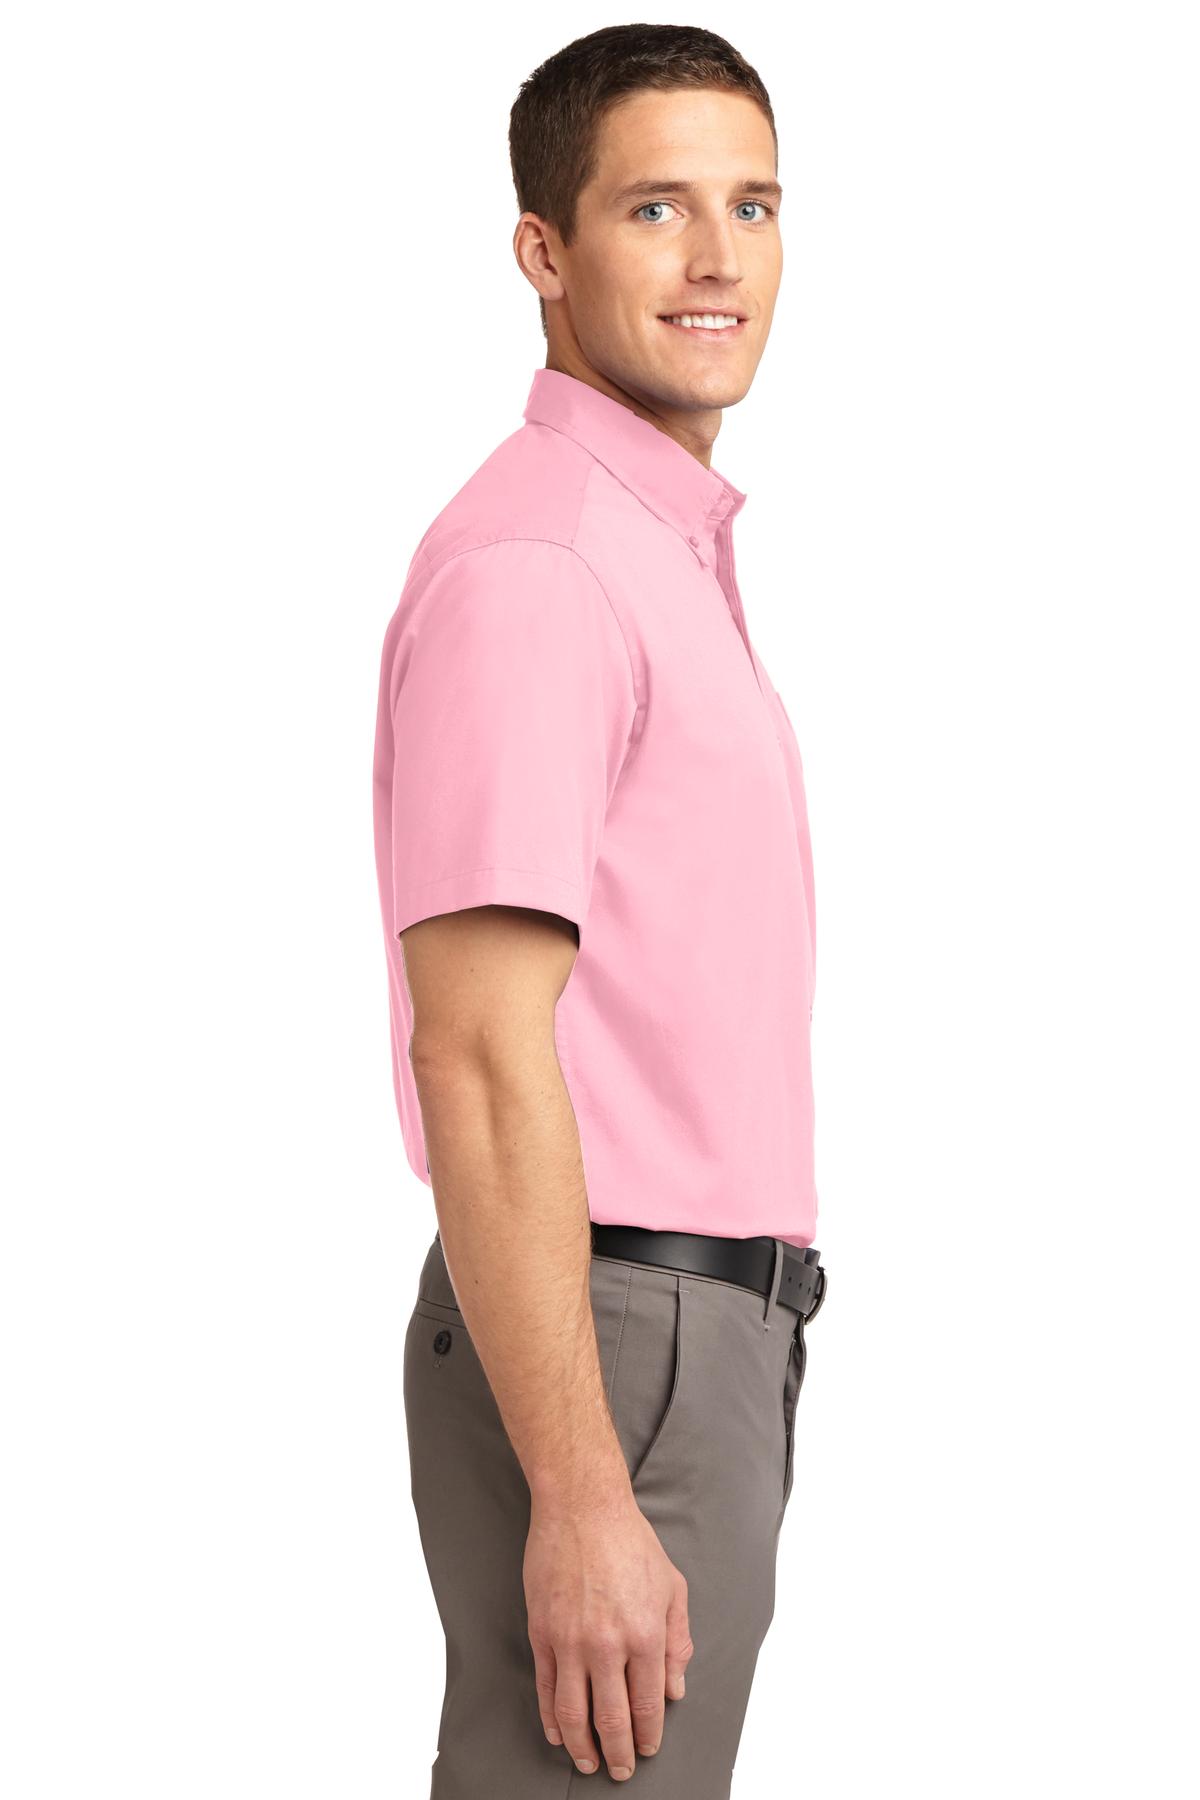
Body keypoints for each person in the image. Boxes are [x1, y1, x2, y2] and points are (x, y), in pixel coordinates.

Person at [371, 23, 829, 1798]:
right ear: (543, 251)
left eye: (753, 206)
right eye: (656, 208)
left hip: (676, 1339)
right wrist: (578, 1492)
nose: (718, 259)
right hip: (613, 1338)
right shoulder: (546, 567)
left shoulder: (649, 549)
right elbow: (479, 1055)